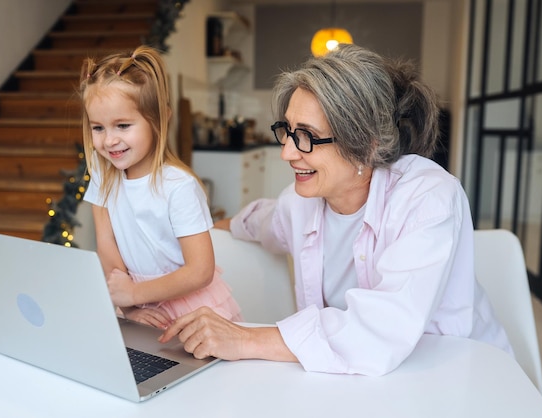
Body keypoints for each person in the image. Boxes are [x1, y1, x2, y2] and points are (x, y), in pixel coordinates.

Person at [159, 43, 512, 376]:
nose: (288, 153)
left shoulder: (428, 197)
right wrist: (201, 232)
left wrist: (246, 338)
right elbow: (258, 221)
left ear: (367, 146)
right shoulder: (300, 203)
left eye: (308, 136)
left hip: (456, 376)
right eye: (287, 131)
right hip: (358, 383)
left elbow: (383, 328)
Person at [80, 46, 242, 329]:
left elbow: (200, 271)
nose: (109, 141)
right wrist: (129, 306)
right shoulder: (102, 173)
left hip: (189, 306)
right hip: (136, 303)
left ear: (160, 119)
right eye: (98, 128)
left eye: (122, 125)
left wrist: (133, 293)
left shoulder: (179, 187)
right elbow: (105, 242)